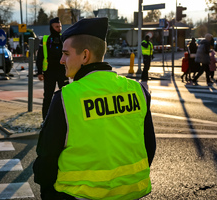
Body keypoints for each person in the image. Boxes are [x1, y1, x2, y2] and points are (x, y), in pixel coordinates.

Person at [33, 17, 156, 200]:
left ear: (85, 56)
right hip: (131, 193)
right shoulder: (138, 90)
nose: (61, 60)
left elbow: (47, 159)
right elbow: (149, 146)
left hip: (78, 195)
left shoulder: (66, 97)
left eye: (66, 54)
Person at [36, 17, 69, 120]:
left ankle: (66, 118)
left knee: (66, 95)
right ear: (51, 27)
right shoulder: (45, 39)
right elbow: (39, 57)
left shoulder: (64, 38)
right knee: (48, 97)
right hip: (49, 72)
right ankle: (45, 120)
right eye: (56, 26)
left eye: (60, 26)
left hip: (62, 72)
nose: (59, 28)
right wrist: (40, 72)